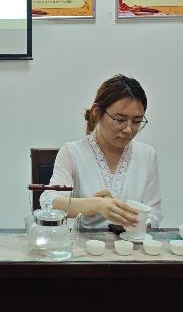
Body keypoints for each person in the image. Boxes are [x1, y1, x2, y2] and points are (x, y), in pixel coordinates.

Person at [40, 74, 161, 229]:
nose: (129, 129)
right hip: (83, 242)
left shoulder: (147, 155)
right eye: (120, 119)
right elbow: (49, 201)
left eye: (137, 121)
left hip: (131, 242)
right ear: (97, 112)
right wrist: (95, 205)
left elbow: (154, 214)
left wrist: (137, 223)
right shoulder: (72, 153)